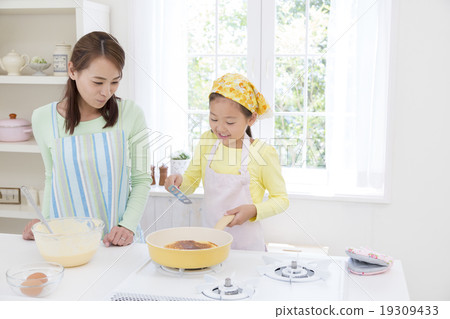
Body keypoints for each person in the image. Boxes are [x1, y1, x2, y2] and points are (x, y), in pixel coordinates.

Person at [22, 31, 152, 246]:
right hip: (65, 239)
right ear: (72, 70)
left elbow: (141, 180)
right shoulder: (43, 118)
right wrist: (42, 220)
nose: (106, 92)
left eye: (115, 82)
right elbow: (51, 177)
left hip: (116, 239)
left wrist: (127, 226)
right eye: (98, 82)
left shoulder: (131, 113)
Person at [164, 73, 289, 251]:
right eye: (213, 119)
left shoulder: (263, 153)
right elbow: (191, 182)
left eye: (230, 122)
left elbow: (281, 200)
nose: (220, 128)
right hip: (211, 245)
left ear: (251, 119)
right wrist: (177, 184)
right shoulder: (207, 141)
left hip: (248, 250)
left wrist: (253, 210)